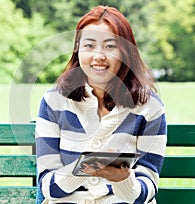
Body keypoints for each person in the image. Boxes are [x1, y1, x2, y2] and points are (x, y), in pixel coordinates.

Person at [35, 5, 167, 204]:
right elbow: (48, 187)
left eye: (109, 46)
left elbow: (148, 188)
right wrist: (85, 167)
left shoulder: (149, 107)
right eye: (89, 45)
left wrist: (123, 181)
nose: (98, 56)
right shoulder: (54, 101)